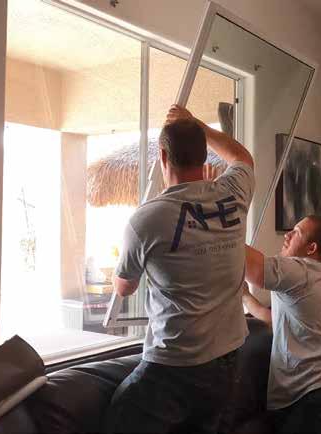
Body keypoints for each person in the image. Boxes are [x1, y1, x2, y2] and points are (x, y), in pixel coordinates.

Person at [105, 105, 255, 434]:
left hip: (175, 363)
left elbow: (124, 287)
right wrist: (198, 124)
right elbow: (242, 157)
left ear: (162, 156)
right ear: (204, 155)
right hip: (228, 361)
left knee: (120, 417)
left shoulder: (148, 218)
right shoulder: (233, 194)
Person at [242, 215, 321, 434]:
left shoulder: (302, 270)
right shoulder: (318, 281)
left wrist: (220, 232)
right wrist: (245, 296)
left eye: (296, 232)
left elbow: (256, 270)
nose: (287, 235)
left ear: (311, 248)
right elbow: (273, 319)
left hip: (320, 402)